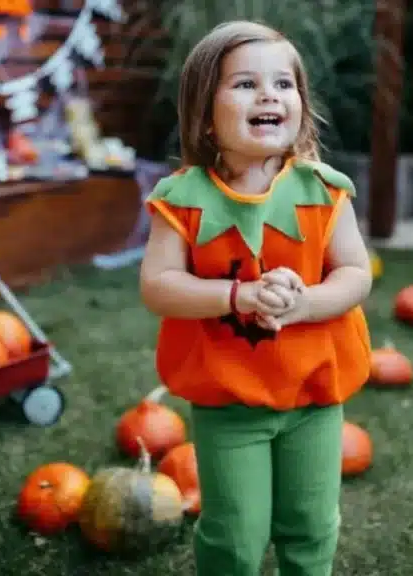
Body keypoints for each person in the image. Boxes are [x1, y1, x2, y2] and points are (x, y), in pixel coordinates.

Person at [138, 20, 373, 576]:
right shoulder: (183, 200)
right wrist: (238, 296)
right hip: (230, 399)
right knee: (235, 534)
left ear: (299, 103)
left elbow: (356, 273)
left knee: (312, 525)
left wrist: (306, 304)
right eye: (245, 84)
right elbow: (159, 286)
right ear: (205, 112)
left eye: (283, 84)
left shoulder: (324, 191)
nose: (269, 94)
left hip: (315, 394)